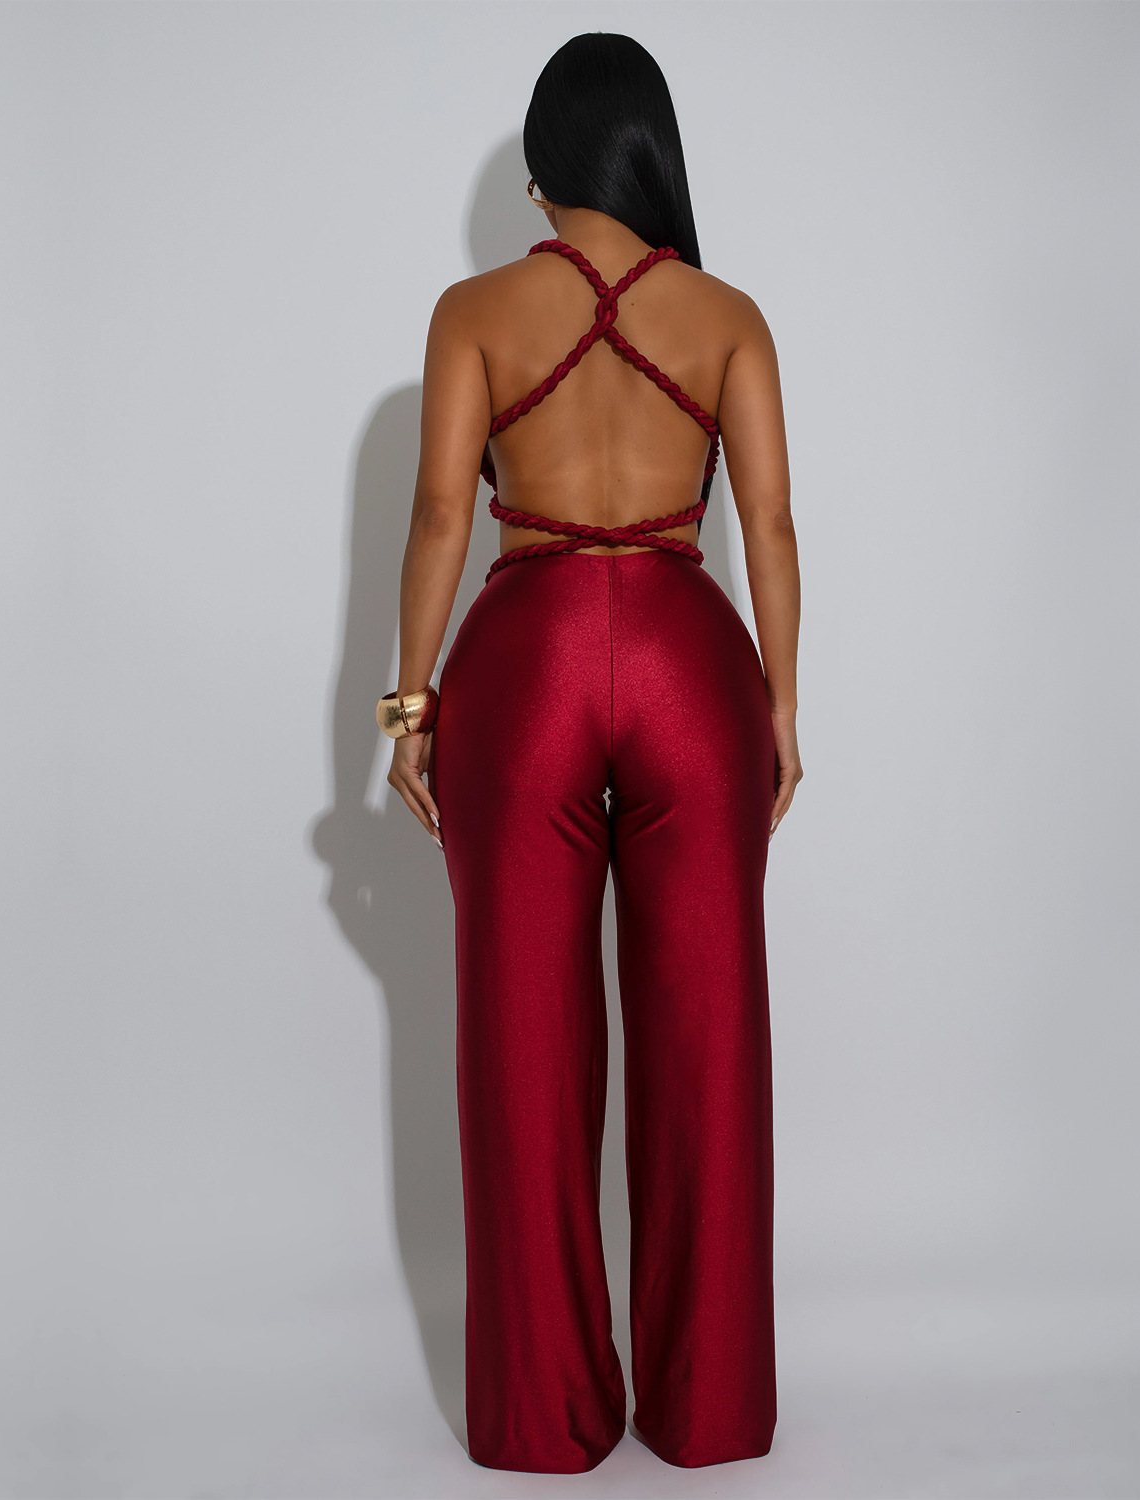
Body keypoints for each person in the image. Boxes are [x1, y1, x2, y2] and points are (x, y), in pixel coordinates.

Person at [376, 31, 801, 1475]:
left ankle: (546, 1419)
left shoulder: (473, 311)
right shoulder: (727, 315)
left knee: (522, 1044)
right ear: (652, 155)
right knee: (708, 1040)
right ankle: (708, 1409)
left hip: (526, 667)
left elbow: (442, 517)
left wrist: (409, 707)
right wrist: (781, 707)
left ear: (546, 167)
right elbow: (771, 524)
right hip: (692, 665)